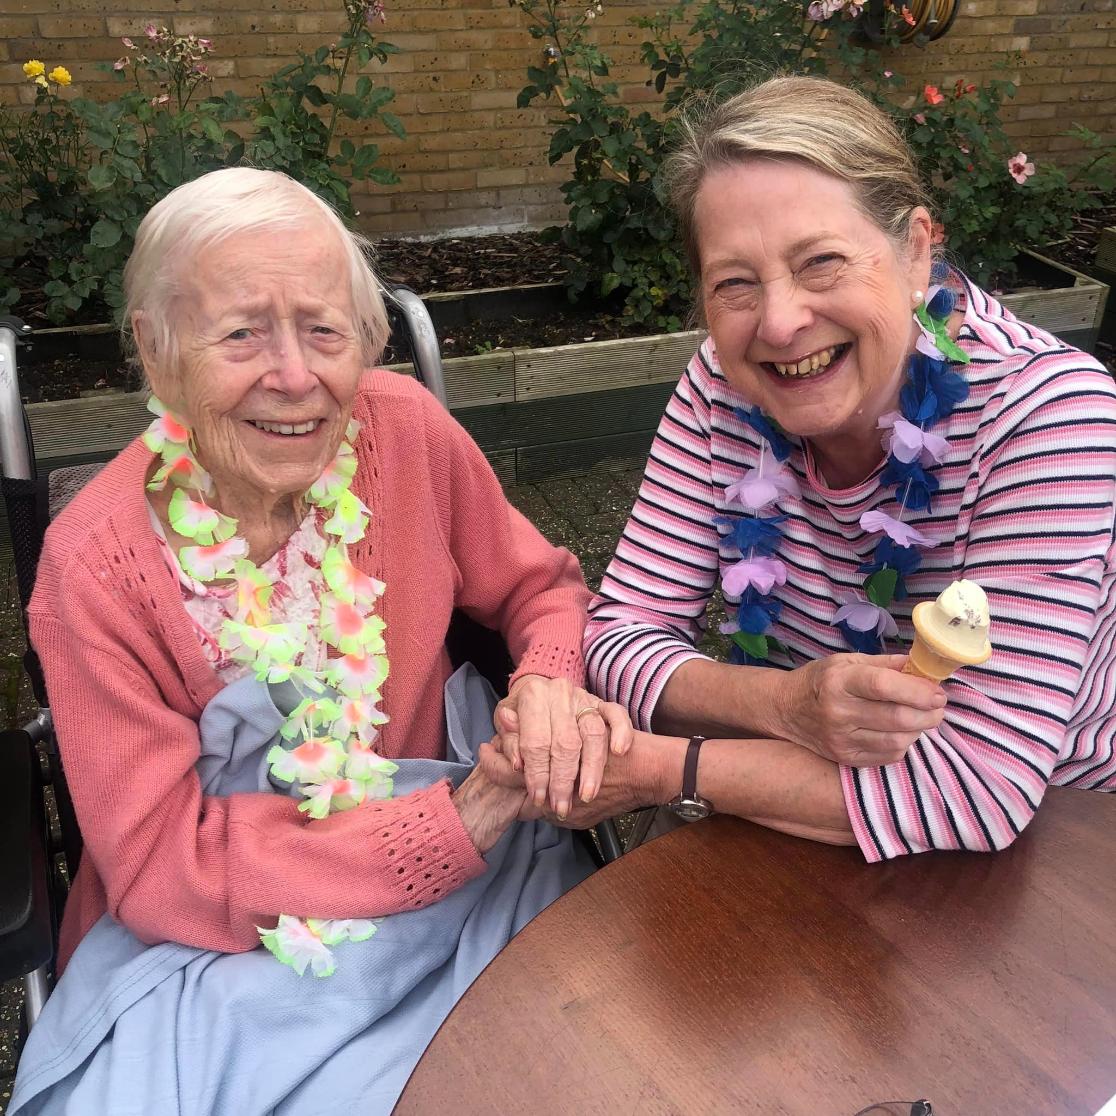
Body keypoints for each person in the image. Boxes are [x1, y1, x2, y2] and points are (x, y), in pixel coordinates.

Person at [11, 167, 632, 1115]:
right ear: (157, 348)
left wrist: (548, 686)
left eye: (325, 330)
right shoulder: (93, 567)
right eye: (241, 334)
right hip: (212, 931)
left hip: (471, 864)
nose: (297, 377)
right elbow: (158, 867)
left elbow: (541, 588)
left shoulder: (408, 432)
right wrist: (454, 823)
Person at [487, 75, 1116, 857]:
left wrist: (662, 768)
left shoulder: (1050, 411)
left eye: (821, 262)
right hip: (801, 805)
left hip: (1059, 839)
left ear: (916, 249)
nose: (780, 323)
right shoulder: (722, 383)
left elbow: (977, 790)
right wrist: (785, 702)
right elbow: (616, 640)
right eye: (735, 283)